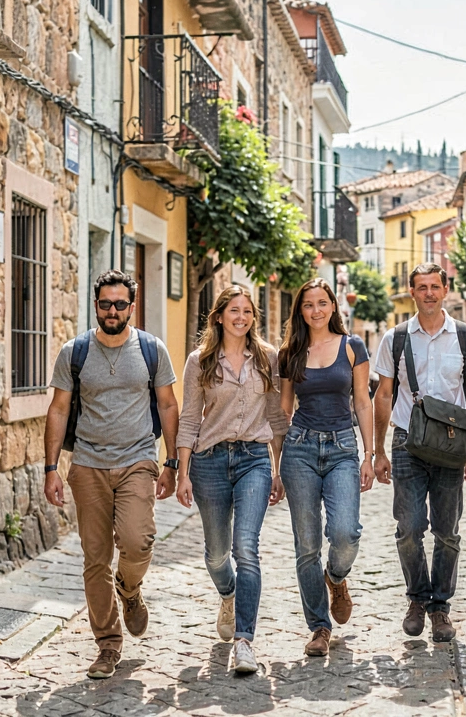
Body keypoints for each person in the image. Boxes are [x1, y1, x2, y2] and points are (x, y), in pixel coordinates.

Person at [44, 270, 179, 680]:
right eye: (106, 304)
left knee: (138, 542)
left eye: (121, 304)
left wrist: (173, 462)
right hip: (87, 464)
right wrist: (52, 468)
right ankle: (107, 644)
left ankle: (130, 588)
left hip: (138, 458)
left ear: (132, 307)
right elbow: (59, 409)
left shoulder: (152, 350)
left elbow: (169, 406)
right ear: (96, 305)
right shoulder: (75, 351)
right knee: (95, 558)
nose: (113, 311)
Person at [371, 263, 466, 643]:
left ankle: (440, 608)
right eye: (421, 287)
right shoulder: (396, 338)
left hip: (452, 443)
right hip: (407, 441)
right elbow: (384, 394)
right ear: (411, 291)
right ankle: (417, 598)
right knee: (408, 527)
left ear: (446, 289)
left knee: (448, 531)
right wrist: (378, 451)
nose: (429, 294)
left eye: (435, 286)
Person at [175, 286, 288, 674]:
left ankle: (244, 641)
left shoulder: (267, 358)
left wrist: (278, 469)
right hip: (209, 462)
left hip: (253, 459)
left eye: (247, 311)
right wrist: (183, 472)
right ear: (219, 316)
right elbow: (190, 418)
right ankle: (228, 592)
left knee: (246, 547)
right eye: (233, 310)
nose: (241, 317)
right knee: (216, 553)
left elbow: (276, 419)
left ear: (253, 318)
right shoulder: (200, 360)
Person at [277, 278, 375, 657]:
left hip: (342, 447)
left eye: (322, 303)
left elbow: (363, 402)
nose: (315, 310)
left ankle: (336, 578)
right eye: (308, 305)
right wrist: (274, 465)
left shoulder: (353, 347)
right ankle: (319, 626)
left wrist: (368, 454)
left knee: (346, 532)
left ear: (333, 306)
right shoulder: (291, 352)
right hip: (300, 448)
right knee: (306, 545)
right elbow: (284, 410)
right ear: (300, 311)